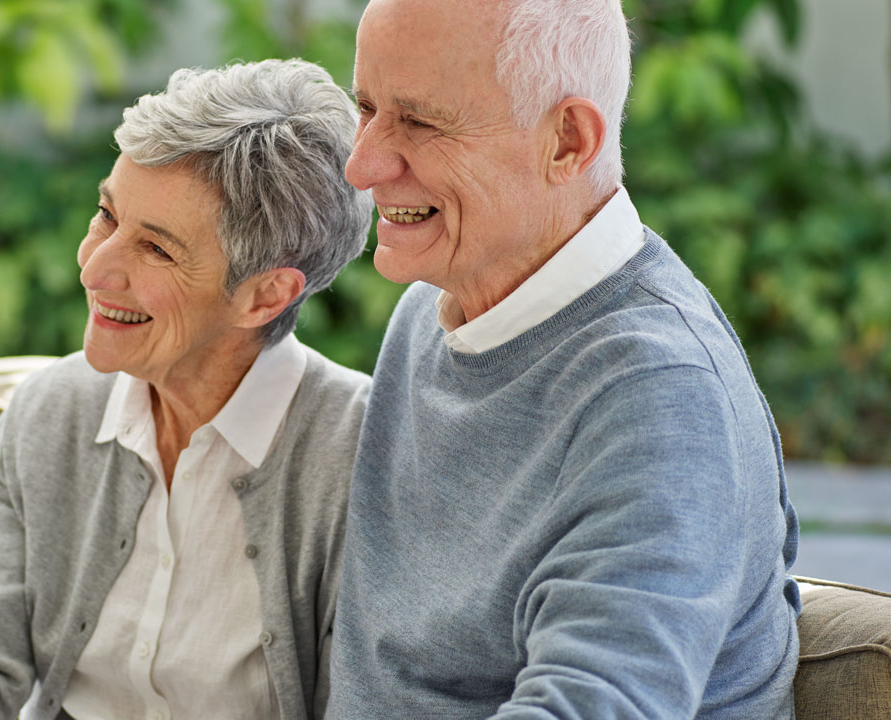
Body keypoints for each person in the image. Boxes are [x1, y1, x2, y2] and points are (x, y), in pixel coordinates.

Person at [0, 58, 373, 720]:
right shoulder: (53, 412)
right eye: (107, 216)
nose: (95, 268)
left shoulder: (362, 459)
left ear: (264, 295)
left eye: (156, 250)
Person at [326, 1, 801, 718]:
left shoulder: (662, 397)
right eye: (365, 107)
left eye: (420, 122)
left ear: (567, 142)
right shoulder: (430, 311)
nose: (361, 164)